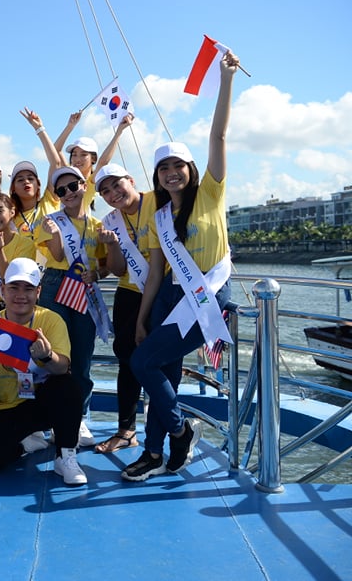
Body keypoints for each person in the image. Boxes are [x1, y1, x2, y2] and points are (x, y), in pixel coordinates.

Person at [122, 52, 239, 482]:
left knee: (143, 364)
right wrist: (141, 318)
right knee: (161, 372)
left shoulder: (211, 193)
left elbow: (219, 135)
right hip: (169, 297)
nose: (171, 173)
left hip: (208, 295)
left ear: (190, 169)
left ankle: (180, 430)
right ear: (157, 177)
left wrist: (225, 79)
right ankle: (154, 453)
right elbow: (154, 273)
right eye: (163, 168)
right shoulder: (159, 217)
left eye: (178, 166)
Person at [0, 258, 85, 485]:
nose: (21, 295)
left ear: (38, 292)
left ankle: (65, 455)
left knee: (67, 385)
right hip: (4, 407)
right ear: (3, 290)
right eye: (14, 287)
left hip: (40, 404)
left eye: (28, 289)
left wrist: (47, 356)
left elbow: (62, 367)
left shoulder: (52, 320)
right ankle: (25, 445)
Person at [36, 165, 110, 447]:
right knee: (53, 353)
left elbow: (106, 265)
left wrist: (97, 275)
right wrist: (55, 233)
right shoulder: (49, 221)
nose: (68, 193)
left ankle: (78, 417)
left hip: (84, 288)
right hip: (55, 284)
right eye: (61, 190)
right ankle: (51, 418)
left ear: (84, 186)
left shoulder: (98, 225)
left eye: (72, 186)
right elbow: (56, 255)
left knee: (81, 355)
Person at [94, 160, 154, 454]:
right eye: (105, 191)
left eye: (116, 184)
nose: (113, 193)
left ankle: (165, 428)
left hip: (163, 291)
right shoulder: (109, 222)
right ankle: (127, 431)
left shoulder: (158, 201)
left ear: (130, 180)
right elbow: (117, 270)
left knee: (160, 361)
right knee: (127, 359)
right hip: (129, 292)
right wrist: (113, 245)